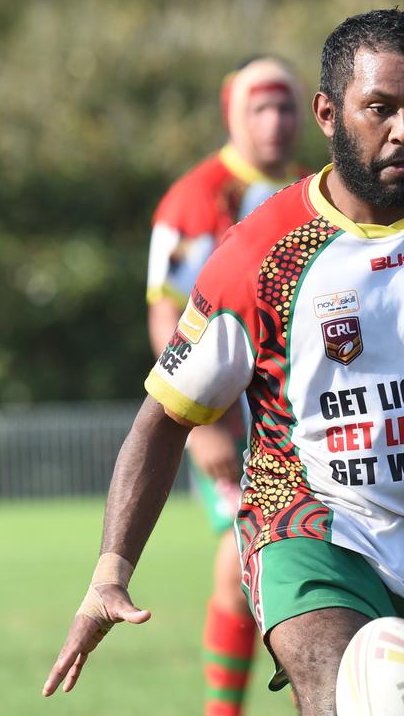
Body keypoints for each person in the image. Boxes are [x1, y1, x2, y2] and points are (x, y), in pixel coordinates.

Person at [44, 9, 404, 715]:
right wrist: (111, 570)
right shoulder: (259, 257)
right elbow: (166, 416)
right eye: (380, 108)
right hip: (304, 521)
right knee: (344, 692)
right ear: (328, 113)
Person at [145, 55, 306, 716]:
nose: (274, 122)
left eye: (285, 107)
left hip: (310, 415)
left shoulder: (318, 188)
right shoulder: (195, 197)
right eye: (259, 108)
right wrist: (202, 421)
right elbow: (165, 313)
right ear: (231, 113)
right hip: (232, 417)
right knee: (245, 552)